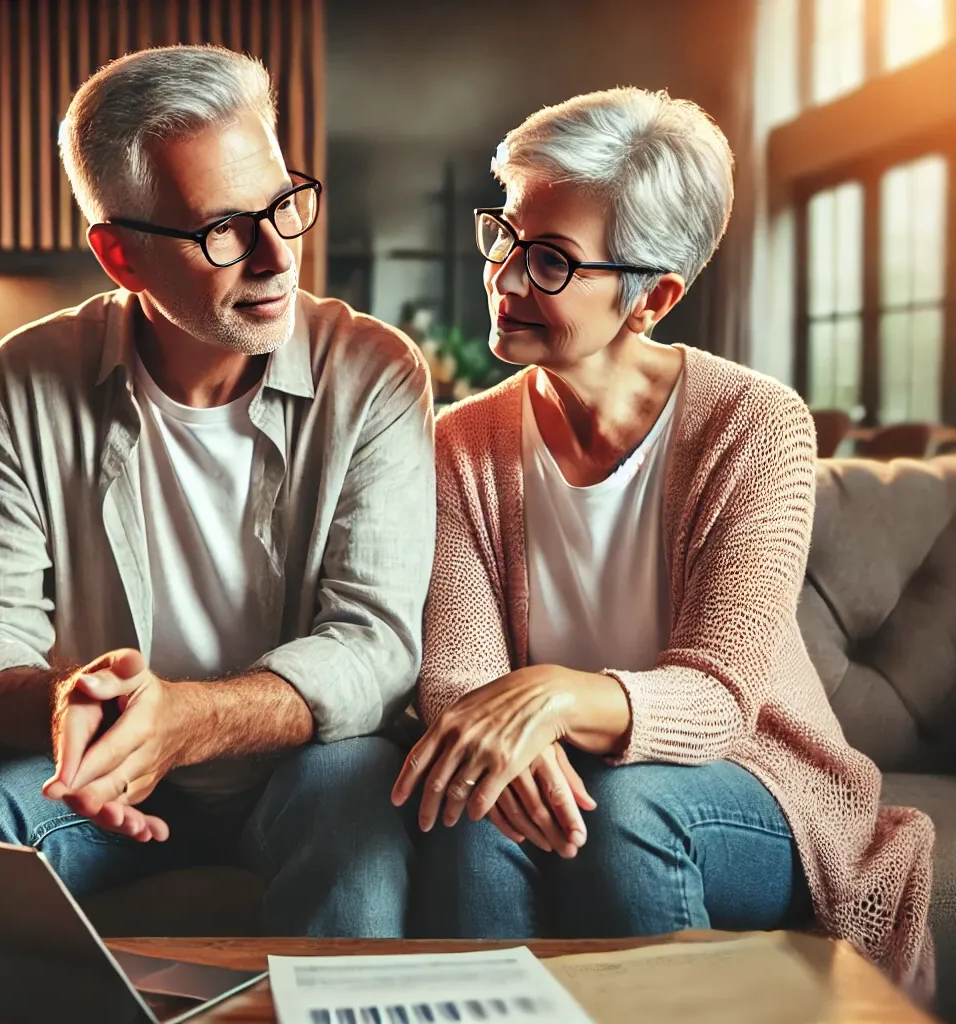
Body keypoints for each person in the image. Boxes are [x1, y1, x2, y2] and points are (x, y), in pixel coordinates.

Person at [391, 87, 934, 994]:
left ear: (654, 298)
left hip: (753, 781)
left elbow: (721, 695)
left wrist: (553, 700)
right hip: (557, 767)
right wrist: (519, 730)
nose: (508, 278)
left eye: (554, 262)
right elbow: (456, 674)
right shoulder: (460, 441)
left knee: (631, 808)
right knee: (469, 806)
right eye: (506, 236)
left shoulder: (755, 424)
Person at [0, 44, 434, 938]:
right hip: (101, 764)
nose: (279, 254)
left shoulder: (375, 374)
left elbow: (376, 645)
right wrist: (63, 707)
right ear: (121, 256)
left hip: (306, 763)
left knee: (355, 853)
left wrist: (189, 720)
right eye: (224, 229)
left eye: (284, 204)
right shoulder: (24, 377)